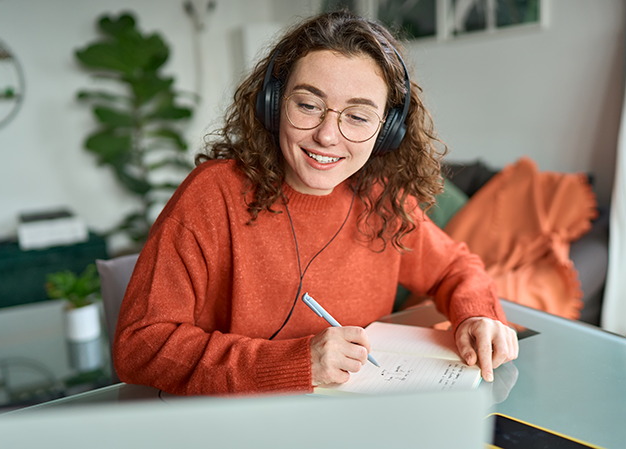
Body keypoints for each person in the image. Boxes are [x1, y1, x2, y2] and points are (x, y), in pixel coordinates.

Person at [113, 10, 518, 396]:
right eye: (308, 105)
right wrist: (295, 362)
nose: (327, 135)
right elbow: (140, 347)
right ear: (273, 103)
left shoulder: (382, 200)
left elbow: (455, 267)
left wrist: (478, 314)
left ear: (387, 131)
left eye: (358, 117)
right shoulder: (212, 194)